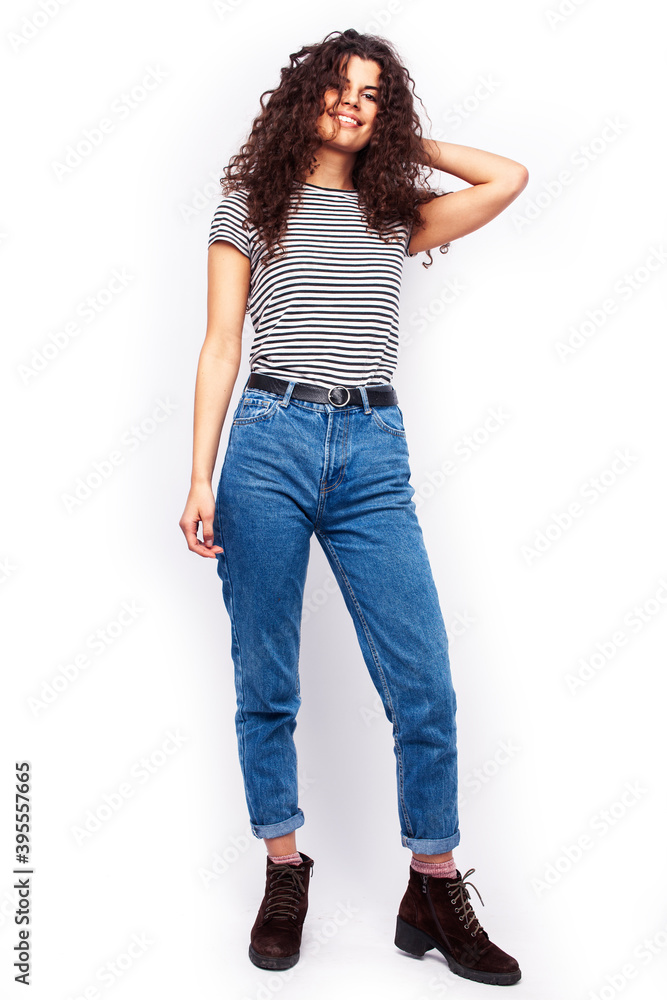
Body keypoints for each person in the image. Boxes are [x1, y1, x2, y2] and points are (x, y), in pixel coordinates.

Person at [179, 27, 528, 987]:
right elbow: (218, 346)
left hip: (373, 454)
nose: (353, 103)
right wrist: (201, 475)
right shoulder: (251, 203)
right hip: (269, 442)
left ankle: (432, 883)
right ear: (305, 97)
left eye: (374, 95)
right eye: (339, 87)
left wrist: (402, 145)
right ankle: (283, 870)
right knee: (268, 679)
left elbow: (507, 179)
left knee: (425, 683)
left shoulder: (394, 211)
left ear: (388, 114)